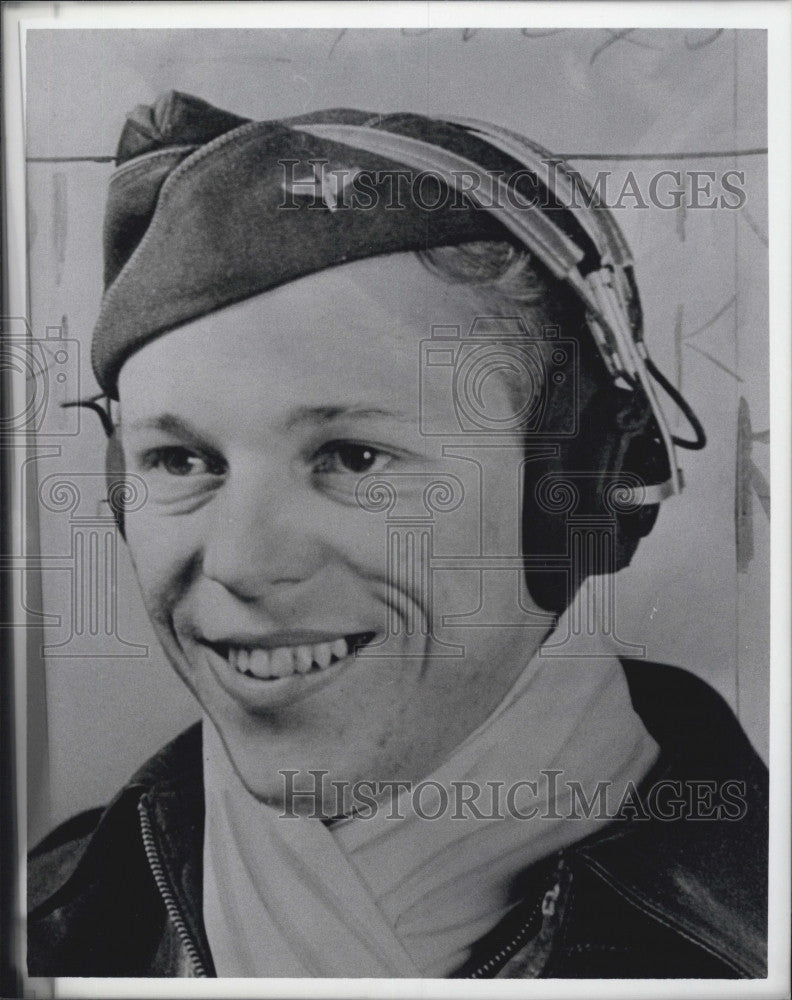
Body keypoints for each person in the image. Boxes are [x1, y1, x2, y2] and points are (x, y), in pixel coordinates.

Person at [28, 91, 767, 979]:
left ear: (575, 490)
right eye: (180, 462)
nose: (241, 564)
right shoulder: (51, 914)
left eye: (353, 456)